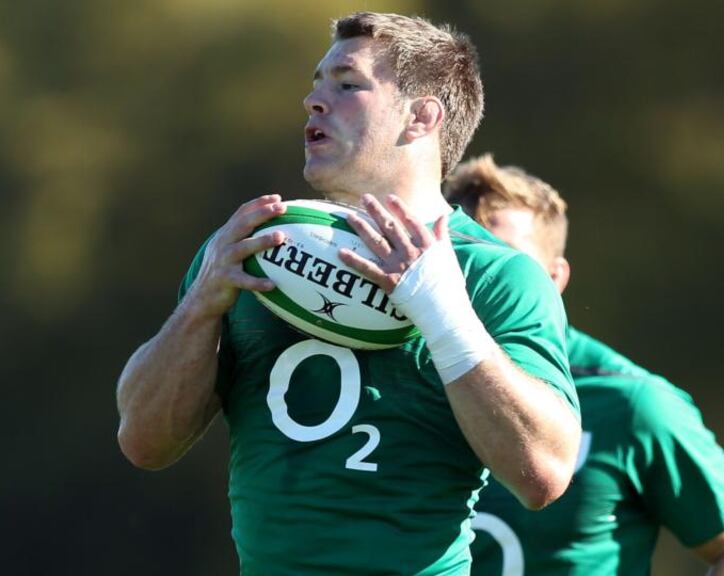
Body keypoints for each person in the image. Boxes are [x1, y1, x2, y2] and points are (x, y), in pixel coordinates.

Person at [115, 13, 582, 575]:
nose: (313, 100)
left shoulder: (495, 275)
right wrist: (198, 309)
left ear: (421, 117)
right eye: (316, 83)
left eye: (347, 84)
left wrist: (445, 315)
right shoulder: (253, 248)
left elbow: (544, 473)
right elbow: (144, 441)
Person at [445, 155, 724, 575]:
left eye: (506, 260)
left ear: (554, 279)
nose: (478, 275)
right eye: (460, 255)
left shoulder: (631, 404)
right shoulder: (392, 379)